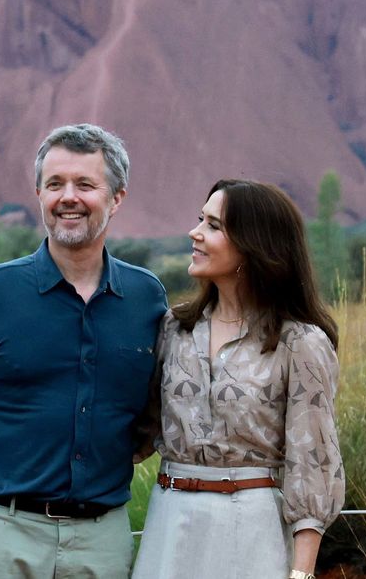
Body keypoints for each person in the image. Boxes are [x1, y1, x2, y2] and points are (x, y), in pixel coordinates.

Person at [0, 124, 168, 579]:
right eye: (56, 184)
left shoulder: (146, 298)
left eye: (85, 184)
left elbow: (159, 404)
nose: (69, 197)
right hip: (3, 533)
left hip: (103, 538)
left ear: (117, 198)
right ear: (38, 193)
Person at [131, 179, 345, 579]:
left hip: (253, 532)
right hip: (169, 525)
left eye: (213, 225)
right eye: (200, 220)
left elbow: (313, 463)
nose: (195, 233)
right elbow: (139, 431)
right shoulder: (174, 329)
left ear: (253, 245)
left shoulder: (299, 342)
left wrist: (301, 573)